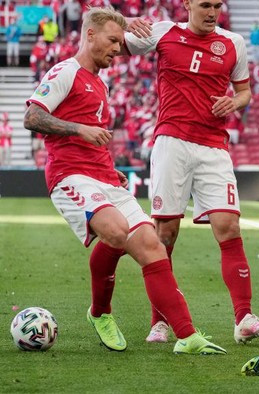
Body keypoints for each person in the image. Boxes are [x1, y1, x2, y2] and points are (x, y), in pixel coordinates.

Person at [23, 6, 225, 355]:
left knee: (152, 246)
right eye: (113, 40)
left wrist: (108, 166)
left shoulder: (98, 82)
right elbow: (32, 117)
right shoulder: (65, 72)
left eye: (120, 41)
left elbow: (94, 135)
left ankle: (188, 336)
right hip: (70, 175)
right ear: (90, 35)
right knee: (116, 232)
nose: (119, 49)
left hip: (103, 176)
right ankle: (100, 312)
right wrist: (79, 129)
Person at [123, 0, 259, 344]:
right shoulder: (164, 32)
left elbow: (245, 91)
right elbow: (117, 46)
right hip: (171, 142)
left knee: (229, 225)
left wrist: (235, 102)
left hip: (213, 146)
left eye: (217, 6)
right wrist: (127, 22)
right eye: (205, 5)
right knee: (165, 235)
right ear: (188, 4)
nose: (212, 12)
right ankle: (159, 321)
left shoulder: (233, 43)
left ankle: (244, 318)